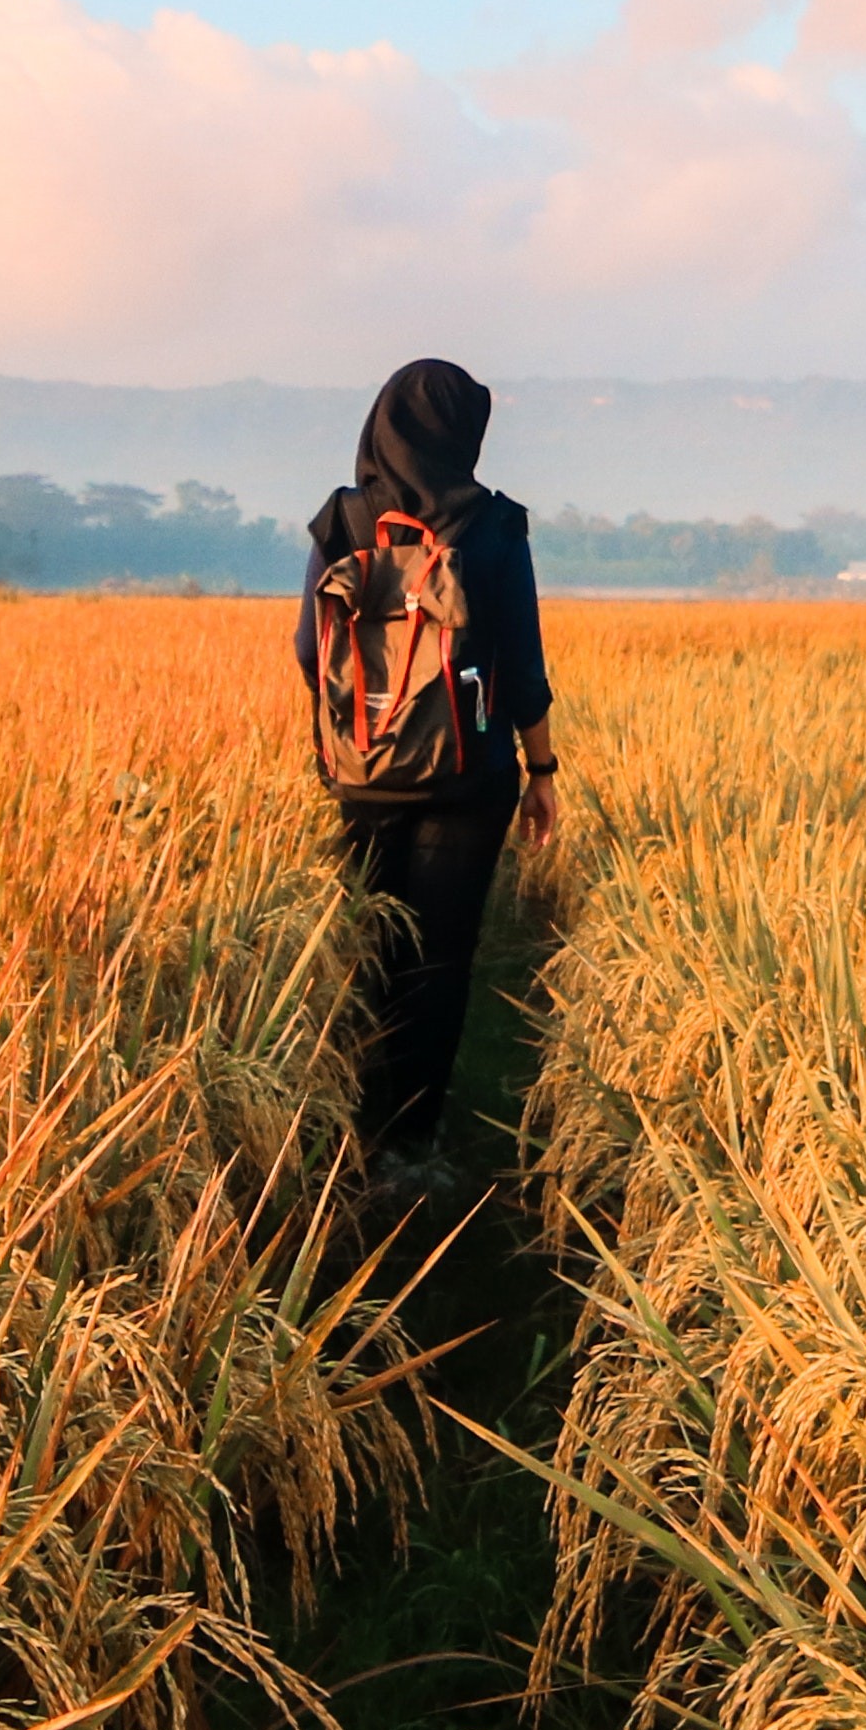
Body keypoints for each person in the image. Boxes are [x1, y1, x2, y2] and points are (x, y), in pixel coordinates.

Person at [295, 358, 558, 1179]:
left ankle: (353, 1124)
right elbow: (520, 663)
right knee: (439, 956)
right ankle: (412, 1142)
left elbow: (310, 651)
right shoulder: (491, 525)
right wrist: (542, 769)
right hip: (466, 777)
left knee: (370, 943)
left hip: (360, 773)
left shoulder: (342, 520)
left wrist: (354, 725)